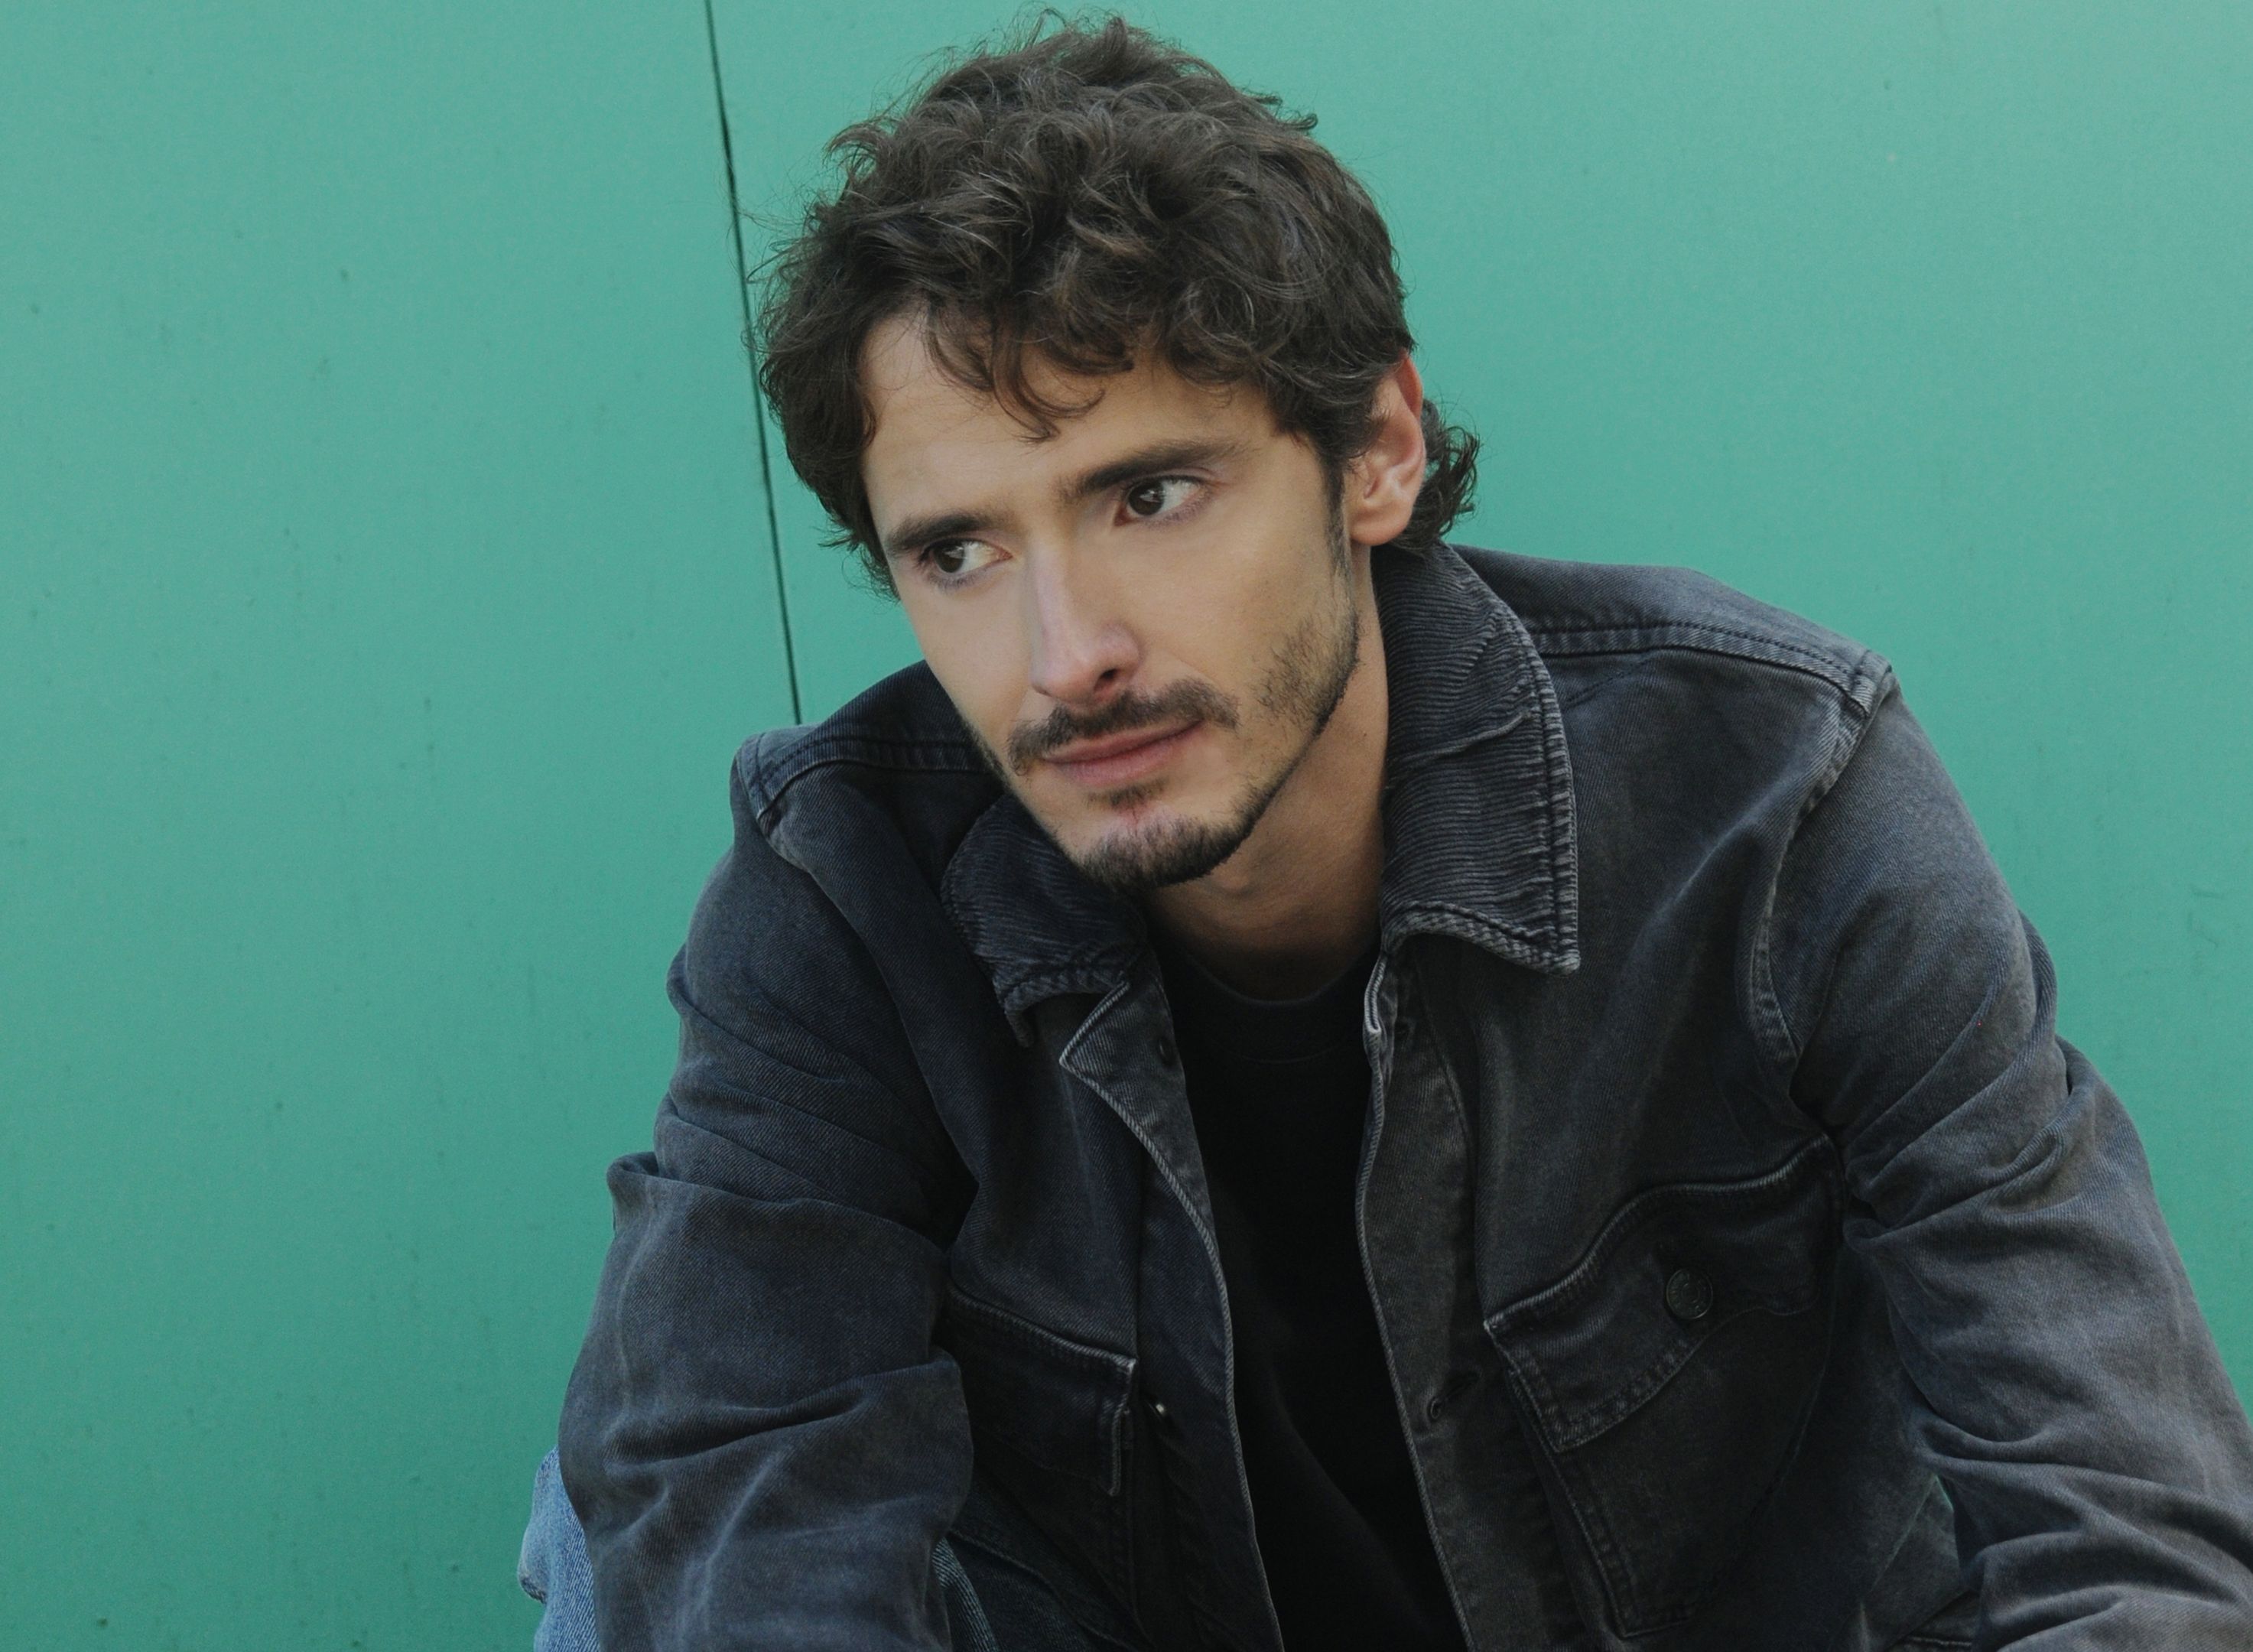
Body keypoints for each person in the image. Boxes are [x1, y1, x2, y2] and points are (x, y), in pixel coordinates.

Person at [527, 14, 2253, 1650]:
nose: (1066, 657)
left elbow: (2121, 1513)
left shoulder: (1774, 801)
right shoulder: (842, 886)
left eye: (1150, 494)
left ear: (1377, 452)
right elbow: (740, 1475)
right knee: (628, 1491)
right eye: (960, 552)